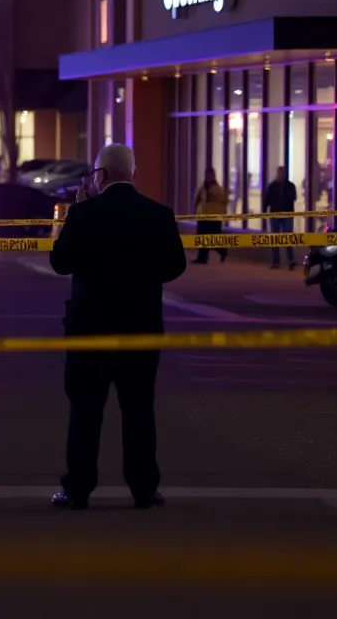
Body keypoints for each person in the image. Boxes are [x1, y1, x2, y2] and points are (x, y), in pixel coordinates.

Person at [48, 143, 187, 510]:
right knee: (139, 409)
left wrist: (77, 211)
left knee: (85, 411)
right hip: (140, 327)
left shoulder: (84, 215)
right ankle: (144, 488)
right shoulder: (159, 215)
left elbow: (60, 262)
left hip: (89, 330)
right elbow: (176, 265)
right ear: (133, 174)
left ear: (101, 175)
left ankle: (78, 489)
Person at [263, 166, 298, 270]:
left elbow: (293, 197)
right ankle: (275, 261)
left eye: (283, 173)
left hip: (287, 214)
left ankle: (291, 260)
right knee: (275, 238)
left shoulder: (290, 186)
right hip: (275, 215)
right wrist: (264, 212)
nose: (281, 175)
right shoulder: (272, 186)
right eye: (280, 173)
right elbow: (267, 200)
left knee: (288, 238)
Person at [192, 167, 228, 264]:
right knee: (201, 237)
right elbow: (196, 200)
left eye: (210, 175)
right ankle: (202, 257)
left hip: (214, 216)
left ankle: (222, 251)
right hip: (203, 215)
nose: (208, 177)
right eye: (207, 175)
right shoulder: (202, 188)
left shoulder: (218, 189)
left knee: (214, 237)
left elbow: (224, 201)